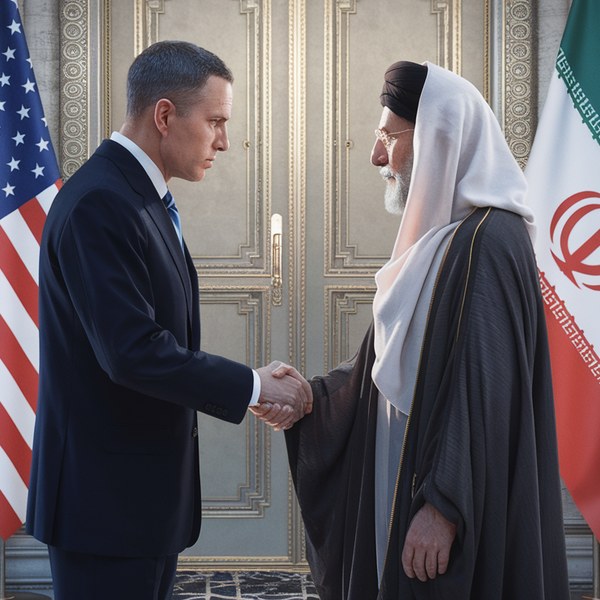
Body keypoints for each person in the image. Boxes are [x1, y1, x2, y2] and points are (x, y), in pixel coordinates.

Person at [26, 40, 311, 600]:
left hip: (140, 506)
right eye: (215, 122)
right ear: (164, 115)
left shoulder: (138, 196)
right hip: (102, 509)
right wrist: (254, 387)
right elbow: (132, 352)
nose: (223, 141)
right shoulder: (100, 202)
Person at [281, 61, 571, 599]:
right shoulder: (442, 239)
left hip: (444, 503)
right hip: (404, 477)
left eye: (390, 137)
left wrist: (443, 506)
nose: (376, 156)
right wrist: (312, 398)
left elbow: (485, 391)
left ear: (441, 136)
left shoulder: (491, 240)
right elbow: (383, 364)